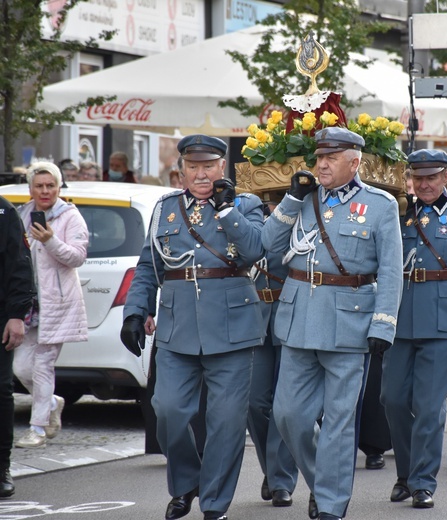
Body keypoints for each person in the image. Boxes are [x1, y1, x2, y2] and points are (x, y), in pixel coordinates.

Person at [121, 134, 265, 520]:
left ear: (222, 167)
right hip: (177, 327)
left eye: (208, 166)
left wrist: (227, 210)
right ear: (181, 169)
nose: (201, 174)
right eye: (193, 166)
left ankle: (215, 503)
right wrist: (135, 312)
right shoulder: (165, 208)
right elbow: (149, 265)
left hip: (233, 329)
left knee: (226, 424)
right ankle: (186, 483)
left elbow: (255, 250)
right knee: (167, 411)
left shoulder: (246, 204)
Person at [262, 127, 403, 520]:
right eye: (319, 157)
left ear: (354, 162)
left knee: (339, 423)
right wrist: (290, 200)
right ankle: (324, 481)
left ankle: (329, 505)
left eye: (331, 158)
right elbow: (266, 247)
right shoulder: (302, 199)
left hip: (349, 323)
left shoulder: (380, 205)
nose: (321, 164)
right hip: (298, 319)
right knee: (288, 416)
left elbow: (392, 272)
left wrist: (383, 325)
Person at [381, 149, 447, 509]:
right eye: (418, 177)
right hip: (400, 320)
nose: (424, 184)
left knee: (428, 407)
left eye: (431, 177)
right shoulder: (397, 215)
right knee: (392, 399)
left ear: (446, 177)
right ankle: (406, 472)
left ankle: (422, 482)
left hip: (443, 323)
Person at [13, 162, 88, 449]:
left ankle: (38, 430)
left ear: (58, 187)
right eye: (39, 186)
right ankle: (52, 402)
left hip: (56, 303)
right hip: (28, 303)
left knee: (43, 365)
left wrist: (51, 240)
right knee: (21, 368)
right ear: (30, 188)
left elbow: (78, 257)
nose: (45, 191)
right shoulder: (22, 214)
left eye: (50, 185)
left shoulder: (70, 216)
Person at [247, 202, 298, 507]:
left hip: (290, 312)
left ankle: (281, 480)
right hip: (255, 315)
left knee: (284, 404)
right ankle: (272, 467)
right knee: (254, 401)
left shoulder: (299, 211)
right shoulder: (247, 210)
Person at [0, 195, 36, 497]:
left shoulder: (4, 210)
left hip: (0, 316)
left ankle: (1, 467)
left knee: (0, 391)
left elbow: (19, 266)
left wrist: (16, 315)